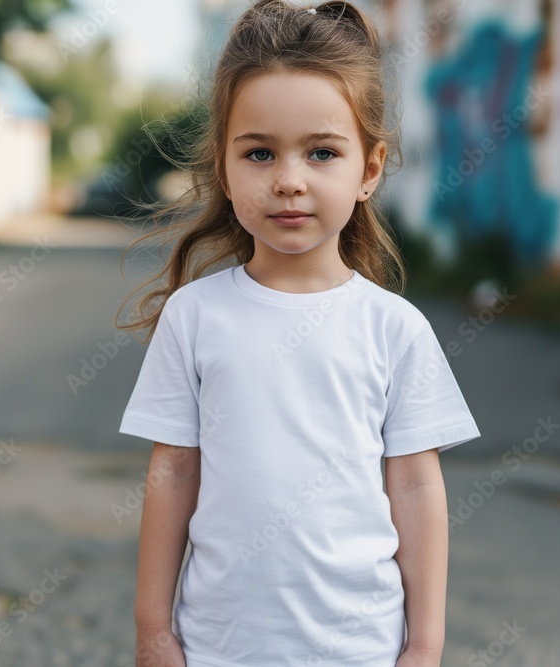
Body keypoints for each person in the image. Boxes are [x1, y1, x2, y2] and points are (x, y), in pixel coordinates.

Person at [115, 1, 481, 665]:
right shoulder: (195, 317)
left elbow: (416, 485)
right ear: (223, 170)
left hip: (361, 646)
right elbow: (173, 470)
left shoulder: (395, 328)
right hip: (220, 645)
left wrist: (424, 643)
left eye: (321, 152)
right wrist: (153, 628)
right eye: (259, 152)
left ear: (369, 170)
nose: (289, 180)